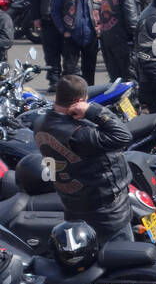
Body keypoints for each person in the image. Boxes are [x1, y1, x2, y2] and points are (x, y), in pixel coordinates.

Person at [32, 74, 134, 243]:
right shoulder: (80, 134)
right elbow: (124, 136)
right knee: (122, 260)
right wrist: (93, 111)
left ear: (56, 97)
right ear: (80, 101)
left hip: (73, 204)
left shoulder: (40, 122)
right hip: (107, 212)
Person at [50, 0, 103, 86]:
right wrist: (63, 30)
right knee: (69, 72)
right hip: (71, 36)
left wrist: (100, 30)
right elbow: (55, 11)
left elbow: (106, 11)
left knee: (89, 71)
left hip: (92, 37)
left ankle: (87, 99)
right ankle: (68, 98)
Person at [97, 0, 144, 84]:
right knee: (129, 82)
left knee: (115, 81)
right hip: (124, 44)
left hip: (108, 41)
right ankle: (130, 104)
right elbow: (132, 23)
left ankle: (118, 104)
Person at [33, 0, 71, 88]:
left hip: (66, 23)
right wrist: (36, 17)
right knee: (51, 54)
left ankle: (67, 83)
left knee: (68, 54)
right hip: (48, 22)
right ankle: (54, 81)